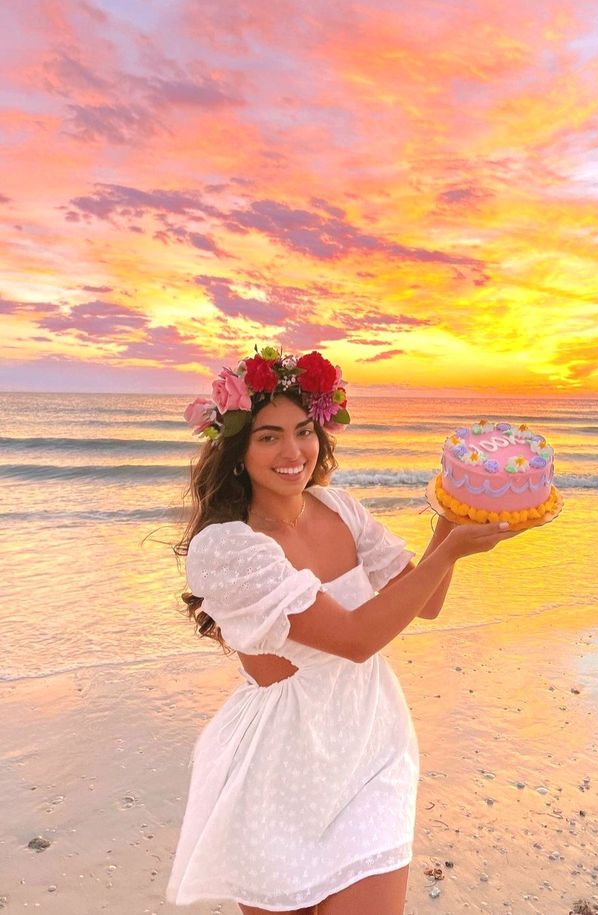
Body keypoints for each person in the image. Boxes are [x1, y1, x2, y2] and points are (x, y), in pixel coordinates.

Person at [166, 346, 517, 915]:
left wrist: (452, 518)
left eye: (303, 431)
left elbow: (422, 604)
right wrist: (447, 550)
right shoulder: (226, 547)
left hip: (373, 744)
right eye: (268, 436)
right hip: (281, 765)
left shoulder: (341, 509)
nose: (293, 451)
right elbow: (355, 640)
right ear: (236, 451)